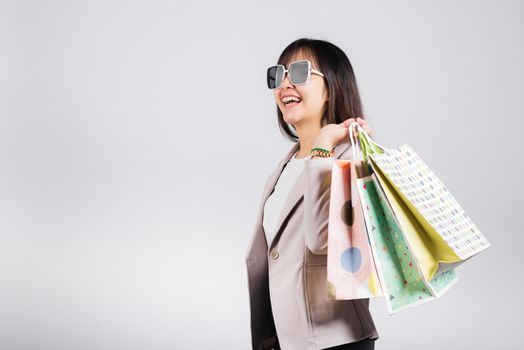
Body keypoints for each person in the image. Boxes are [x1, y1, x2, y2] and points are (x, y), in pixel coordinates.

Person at [245, 38, 380, 350]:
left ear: (332, 86)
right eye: (278, 76)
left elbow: (323, 242)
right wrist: (271, 334)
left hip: (337, 341)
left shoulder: (353, 159)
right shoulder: (284, 168)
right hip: (288, 341)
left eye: (301, 72)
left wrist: (322, 149)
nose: (285, 85)